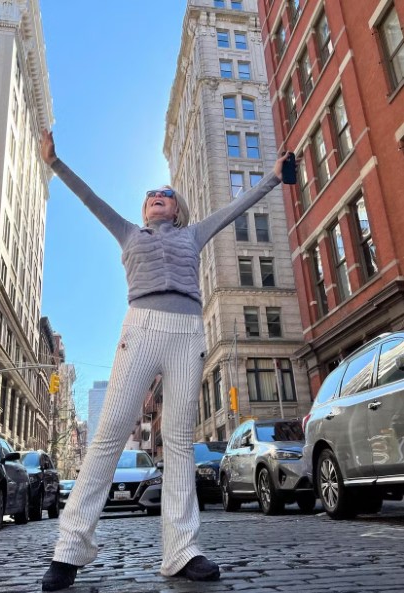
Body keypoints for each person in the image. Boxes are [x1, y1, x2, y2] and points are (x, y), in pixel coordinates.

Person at [40, 129, 289, 591]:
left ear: (178, 209)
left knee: (177, 442)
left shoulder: (194, 234)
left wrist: (274, 177)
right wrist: (55, 162)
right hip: (141, 328)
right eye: (151, 194)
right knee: (109, 435)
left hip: (187, 333)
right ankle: (69, 550)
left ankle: (182, 551)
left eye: (166, 194)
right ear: (144, 209)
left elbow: (236, 209)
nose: (157, 195)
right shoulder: (128, 233)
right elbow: (90, 198)